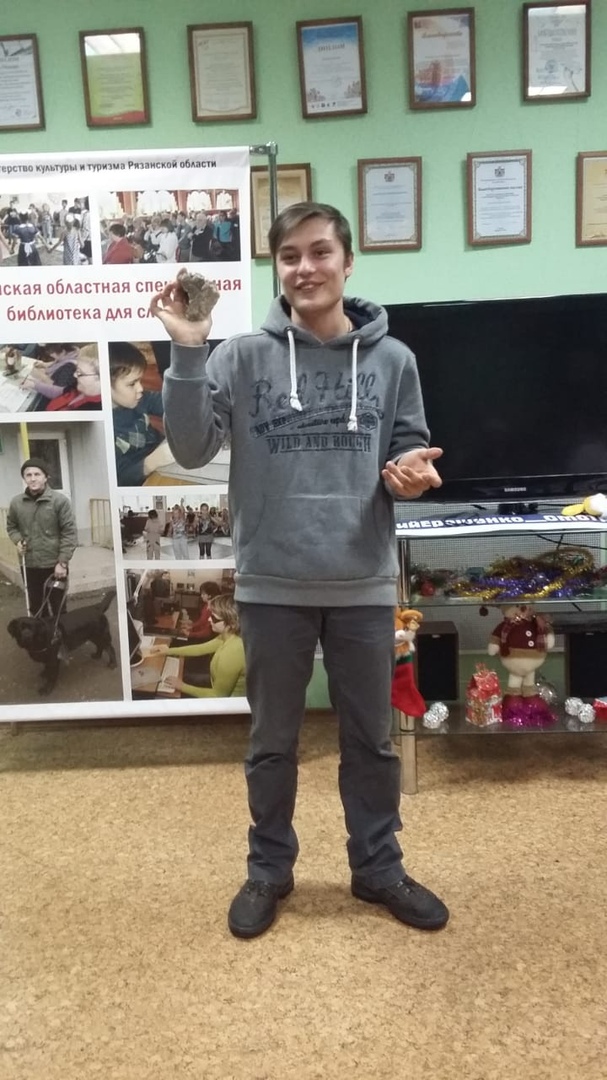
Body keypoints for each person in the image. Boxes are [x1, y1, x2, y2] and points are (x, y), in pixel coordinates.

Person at [152, 201, 448, 939]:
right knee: (271, 743)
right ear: (276, 268)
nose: (305, 268)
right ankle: (268, 870)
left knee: (371, 741)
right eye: (290, 256)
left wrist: (409, 475)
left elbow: (407, 448)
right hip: (271, 582)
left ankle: (377, 868)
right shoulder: (240, 357)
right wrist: (188, 350)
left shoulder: (393, 360)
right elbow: (189, 450)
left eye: (320, 252)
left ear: (347, 262)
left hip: (361, 580)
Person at [6, 458, 77, 618]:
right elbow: (11, 527)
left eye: (37, 474)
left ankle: (58, 634)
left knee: (58, 608)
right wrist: (18, 540)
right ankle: (40, 633)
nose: (33, 478)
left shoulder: (59, 501)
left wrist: (62, 562)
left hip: (54, 565)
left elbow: (69, 533)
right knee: (36, 607)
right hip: (29, 565)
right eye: (28, 475)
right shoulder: (17, 503)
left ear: (46, 477)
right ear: (24, 478)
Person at [151, 593, 246, 698]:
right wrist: (168, 650)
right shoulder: (228, 636)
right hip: (215, 682)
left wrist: (182, 686)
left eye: (214, 618)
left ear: (231, 623)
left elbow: (218, 695)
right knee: (184, 676)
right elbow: (200, 649)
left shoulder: (232, 652)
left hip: (227, 703)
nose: (209, 620)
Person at [109, 341, 174, 486]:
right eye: (132, 384)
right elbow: (121, 478)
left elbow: (169, 404)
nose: (140, 388)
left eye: (139, 381)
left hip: (163, 458)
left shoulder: (138, 398)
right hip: (144, 478)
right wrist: (151, 462)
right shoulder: (106, 430)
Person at [45, 345, 101, 412]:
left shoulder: (90, 411)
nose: (74, 375)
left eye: (80, 372)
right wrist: (35, 384)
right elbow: (59, 391)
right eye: (77, 370)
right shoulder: (78, 386)